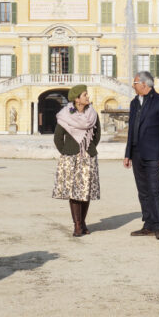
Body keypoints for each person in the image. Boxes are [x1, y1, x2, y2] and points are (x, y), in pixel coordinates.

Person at [124, 71, 159, 240]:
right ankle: (148, 224)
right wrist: (127, 153)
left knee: (154, 190)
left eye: (135, 83)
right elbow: (131, 129)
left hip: (154, 154)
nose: (133, 86)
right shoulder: (134, 103)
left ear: (144, 84)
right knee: (143, 191)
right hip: (137, 153)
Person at [52, 85, 101, 237]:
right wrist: (68, 152)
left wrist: (88, 148)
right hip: (71, 158)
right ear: (77, 99)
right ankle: (77, 225)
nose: (88, 97)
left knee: (86, 191)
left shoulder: (93, 114)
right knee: (74, 192)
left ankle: (83, 222)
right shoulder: (65, 115)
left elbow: (97, 135)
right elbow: (58, 138)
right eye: (85, 95)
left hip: (88, 157)